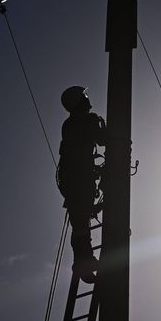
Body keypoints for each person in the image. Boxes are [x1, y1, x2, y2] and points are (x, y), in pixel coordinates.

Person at [57, 85, 107, 283]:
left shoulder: (70, 124)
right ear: (77, 101)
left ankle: (84, 262)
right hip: (78, 179)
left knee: (80, 223)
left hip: (74, 179)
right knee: (80, 224)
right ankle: (83, 263)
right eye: (83, 96)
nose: (87, 99)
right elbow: (103, 140)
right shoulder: (82, 121)